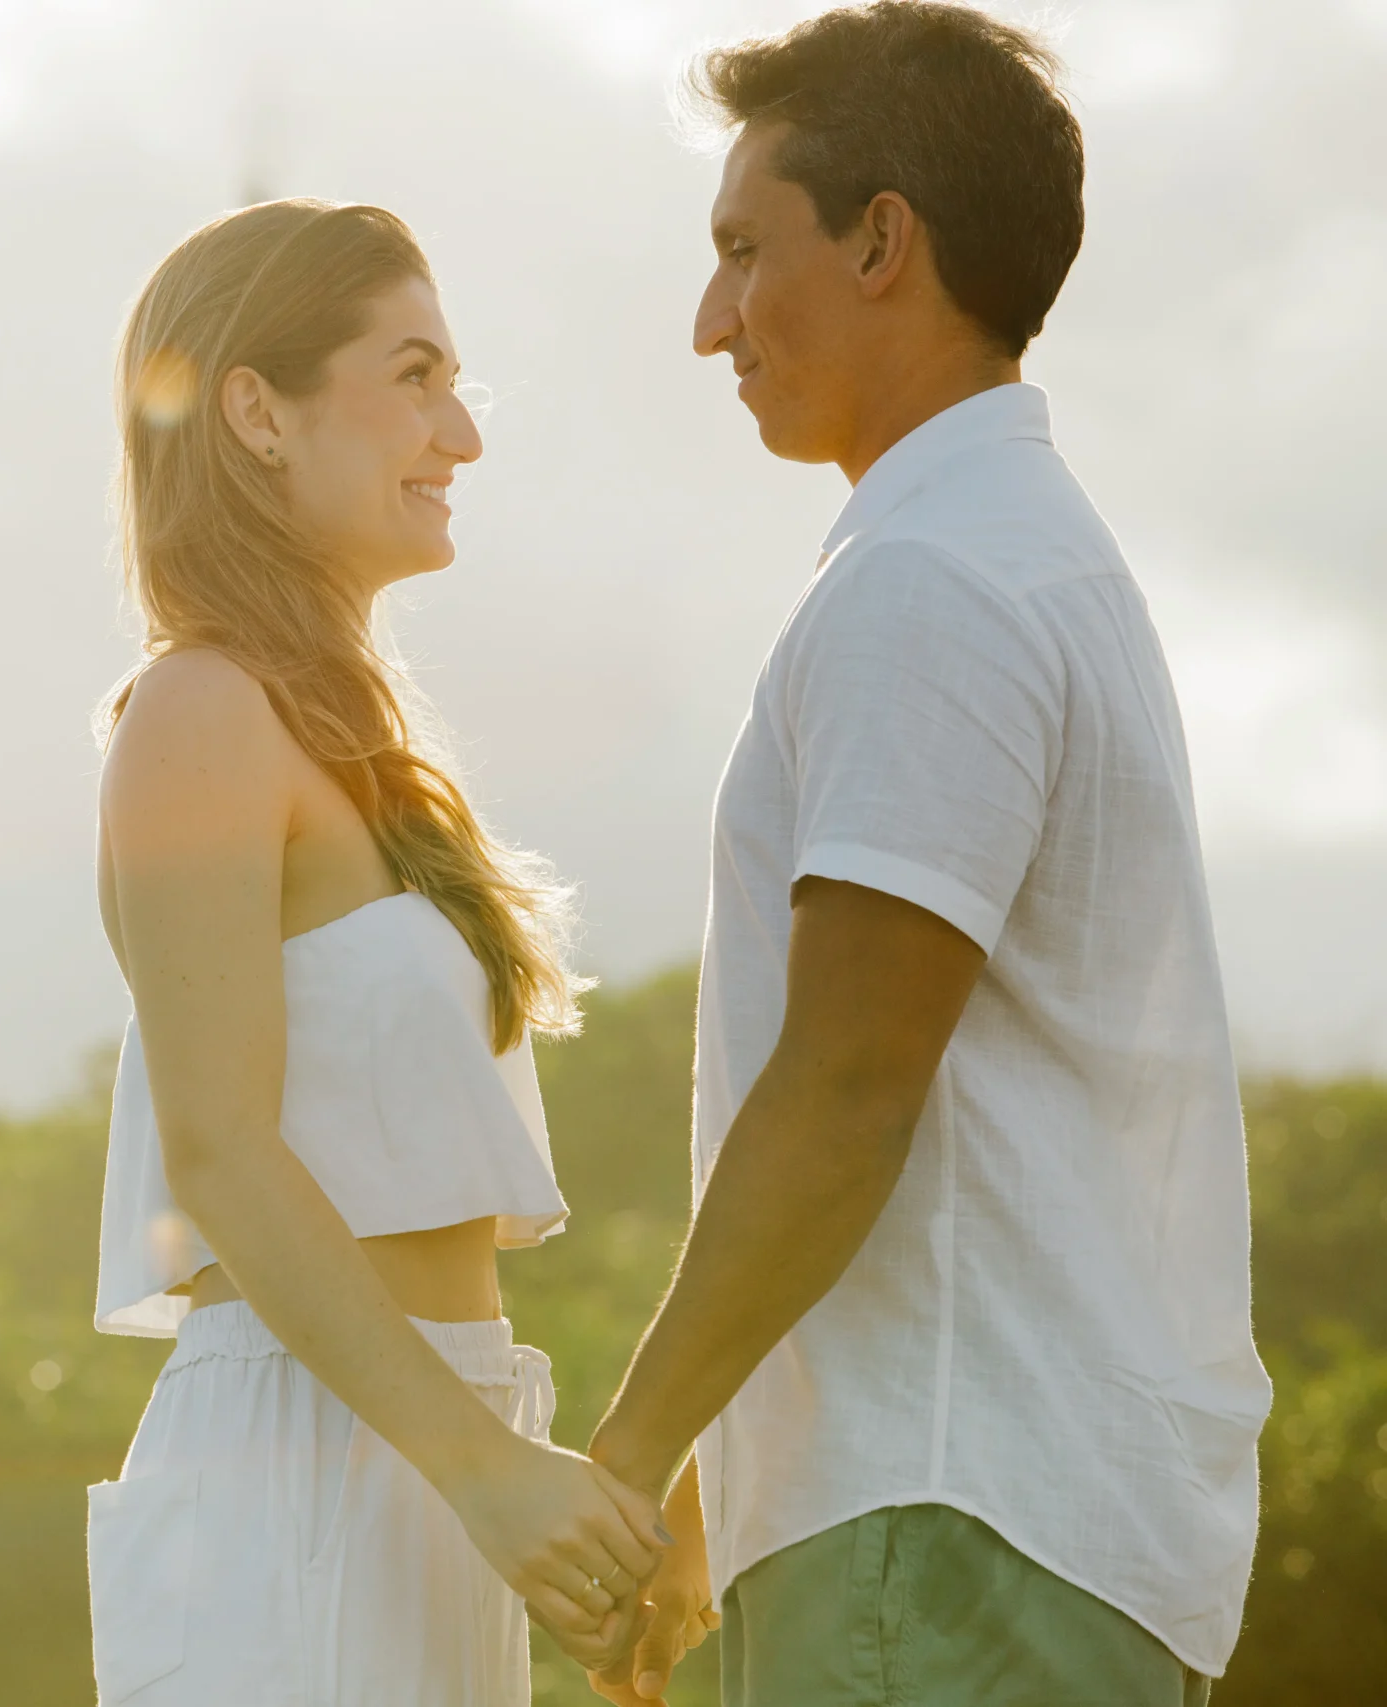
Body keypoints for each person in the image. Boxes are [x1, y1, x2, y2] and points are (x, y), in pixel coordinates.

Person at [580, 7, 1271, 1705]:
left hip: (933, 1527)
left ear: (884, 238)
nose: (709, 322)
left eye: (746, 250)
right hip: (1018, 1535)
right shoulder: (1030, 557)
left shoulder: (931, 584)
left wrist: (629, 1453)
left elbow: (847, 1086)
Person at [83, 198, 667, 1706]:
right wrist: (482, 1468)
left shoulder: (362, 743)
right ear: (257, 411)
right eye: (414, 377)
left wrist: (501, 1465)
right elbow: (218, 1152)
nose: (460, 434)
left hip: (433, 1439)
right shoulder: (199, 711)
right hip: (296, 1461)